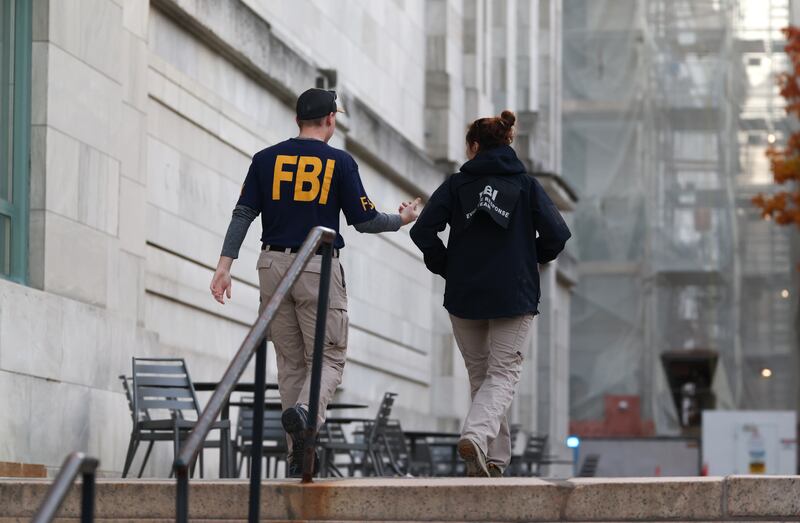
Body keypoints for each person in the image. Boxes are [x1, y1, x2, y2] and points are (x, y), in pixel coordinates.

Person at [210, 88, 421, 477]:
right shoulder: (340, 162)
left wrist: (224, 266)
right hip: (316, 267)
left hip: (271, 265)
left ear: (297, 120)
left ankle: (298, 456)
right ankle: (307, 414)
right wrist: (401, 219)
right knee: (328, 357)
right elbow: (365, 221)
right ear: (330, 120)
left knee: (290, 363)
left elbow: (243, 213)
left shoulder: (265, 159)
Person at [410, 110, 571, 477]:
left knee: (482, 377)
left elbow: (422, 232)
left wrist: (447, 266)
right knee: (503, 375)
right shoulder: (526, 185)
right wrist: (530, 258)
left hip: (464, 295)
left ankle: (493, 460)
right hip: (513, 293)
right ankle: (477, 437)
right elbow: (557, 235)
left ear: (474, 146)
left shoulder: (455, 185)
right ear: (508, 142)